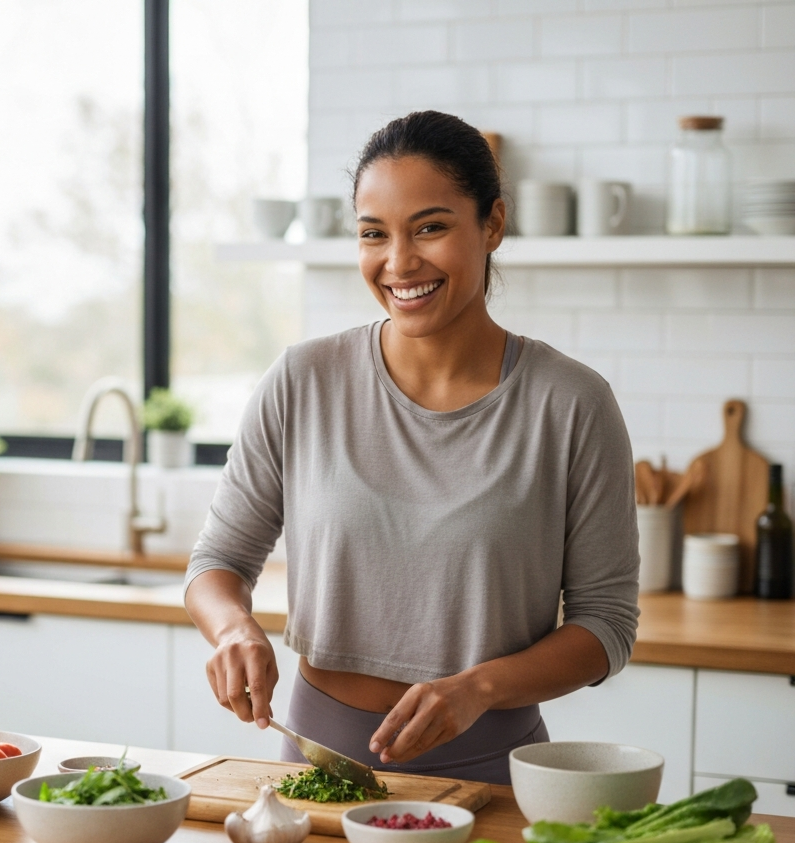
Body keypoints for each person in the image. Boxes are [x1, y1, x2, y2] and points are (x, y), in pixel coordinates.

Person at [184, 110, 639, 785]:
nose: (399, 263)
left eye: (430, 227)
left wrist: (478, 688)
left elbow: (606, 626)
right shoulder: (305, 380)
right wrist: (233, 631)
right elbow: (218, 561)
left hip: (492, 773)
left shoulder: (571, 403)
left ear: (492, 225)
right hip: (316, 765)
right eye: (375, 234)